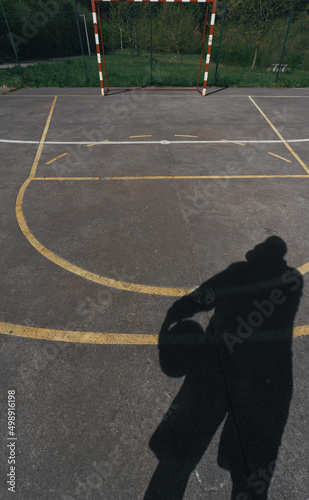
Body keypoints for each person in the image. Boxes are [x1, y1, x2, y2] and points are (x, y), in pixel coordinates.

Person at [144, 237, 303, 500]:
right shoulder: (293, 279)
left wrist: (176, 312)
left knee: (176, 459)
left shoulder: (240, 271)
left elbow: (208, 293)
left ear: (262, 251)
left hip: (225, 366)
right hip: (270, 378)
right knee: (251, 473)